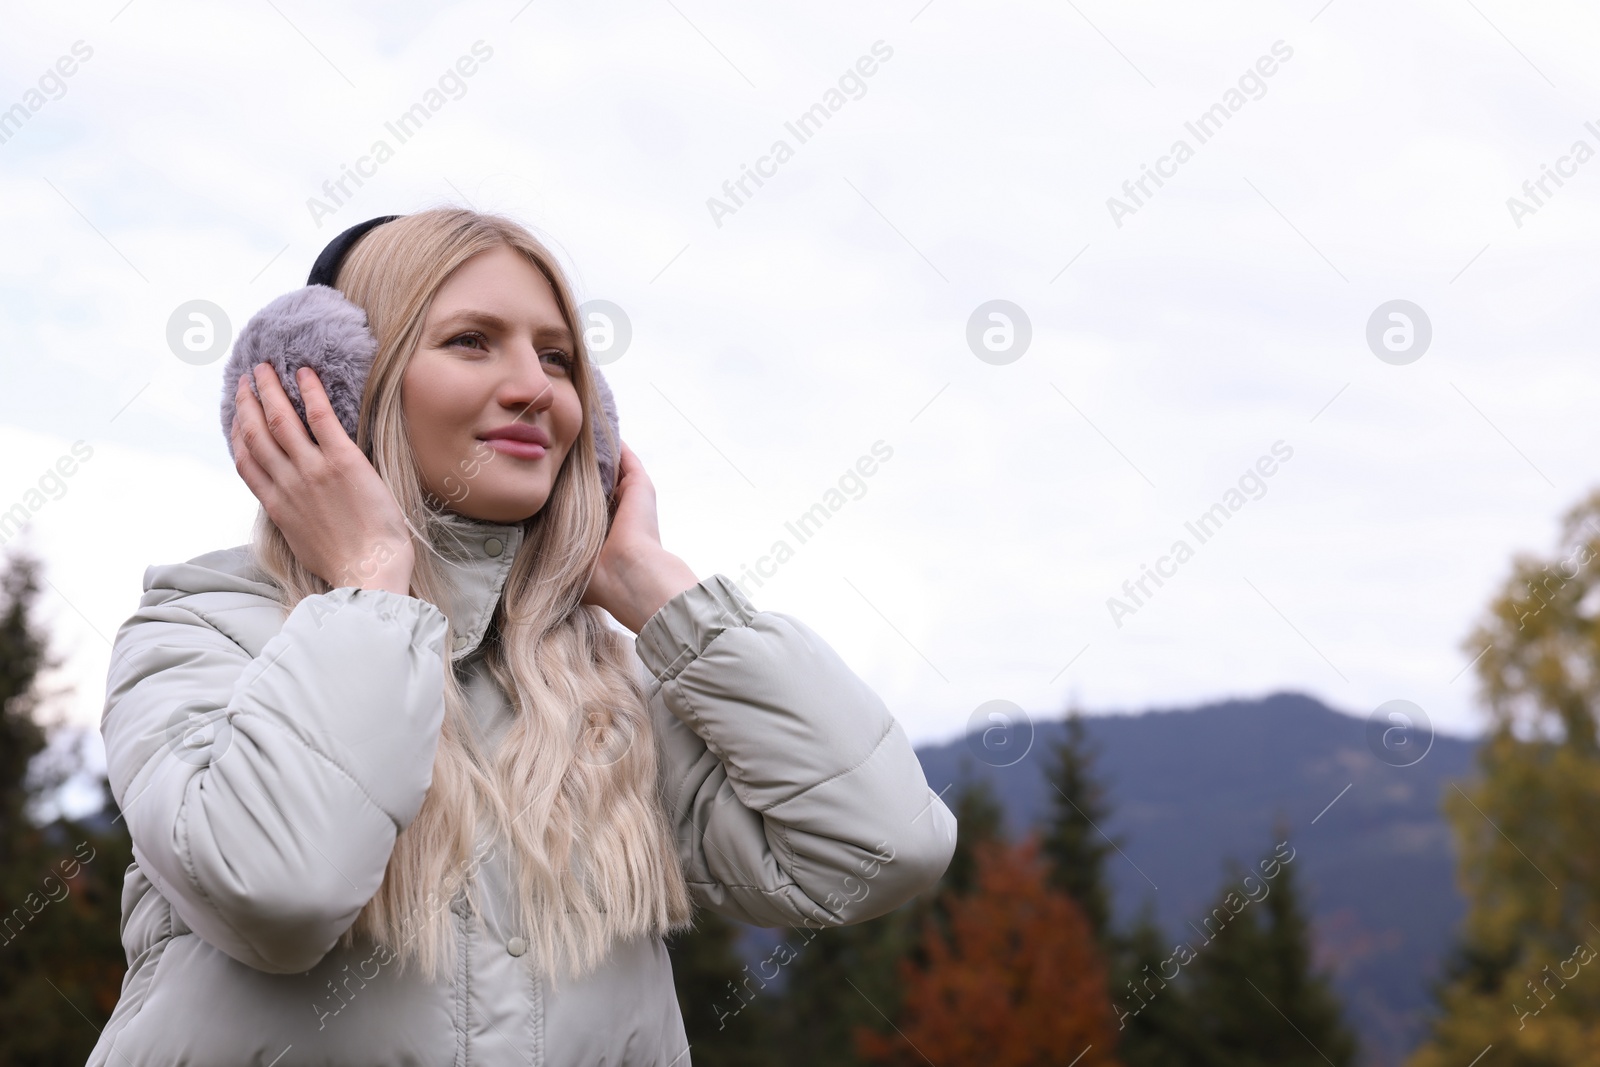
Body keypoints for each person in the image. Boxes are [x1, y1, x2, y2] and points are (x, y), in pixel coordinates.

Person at [87, 207, 956, 1066]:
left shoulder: (608, 687)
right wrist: (370, 576)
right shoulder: (201, 627)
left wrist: (659, 592)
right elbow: (279, 888)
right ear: (338, 387)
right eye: (472, 340)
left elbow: (883, 847)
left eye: (557, 357)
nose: (536, 387)